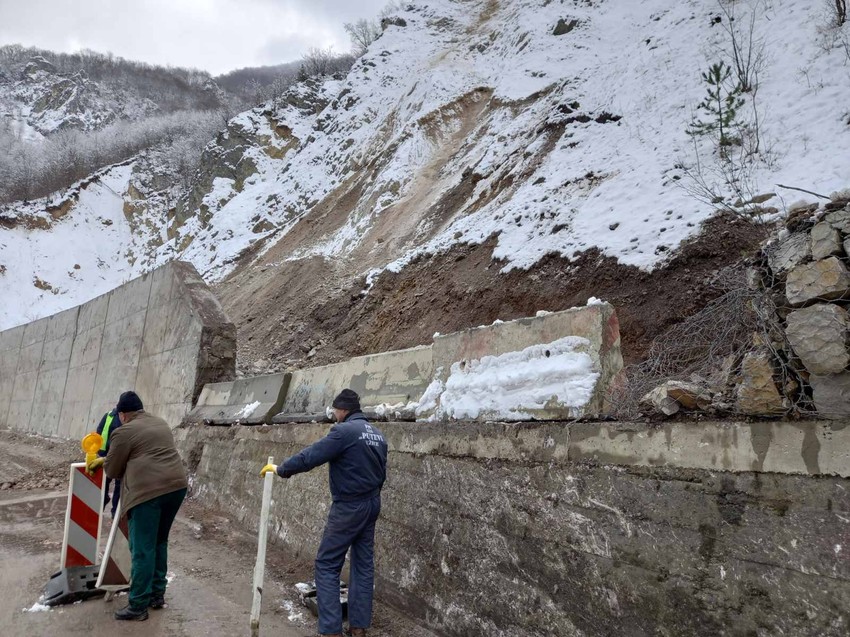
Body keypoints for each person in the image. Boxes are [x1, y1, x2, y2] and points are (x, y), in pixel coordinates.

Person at [261, 389, 388, 637]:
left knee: (327, 564)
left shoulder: (343, 432)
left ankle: (331, 630)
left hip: (348, 506)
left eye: (335, 410)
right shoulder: (377, 435)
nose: (334, 415)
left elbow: (311, 456)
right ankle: (359, 628)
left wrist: (281, 469)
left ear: (343, 409)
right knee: (363, 566)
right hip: (372, 503)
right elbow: (381, 474)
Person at [86, 391, 188, 621]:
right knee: (160, 541)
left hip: (148, 494)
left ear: (122, 415)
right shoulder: (160, 423)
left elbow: (112, 471)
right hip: (177, 487)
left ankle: (138, 605)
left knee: (142, 549)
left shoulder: (123, 432)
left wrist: (104, 460)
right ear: (141, 409)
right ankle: (156, 595)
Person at [95, 407, 121, 517]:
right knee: (105, 482)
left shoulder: (111, 416)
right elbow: (99, 433)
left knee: (118, 485)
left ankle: (115, 512)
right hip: (107, 456)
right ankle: (106, 508)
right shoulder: (109, 416)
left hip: (118, 457)